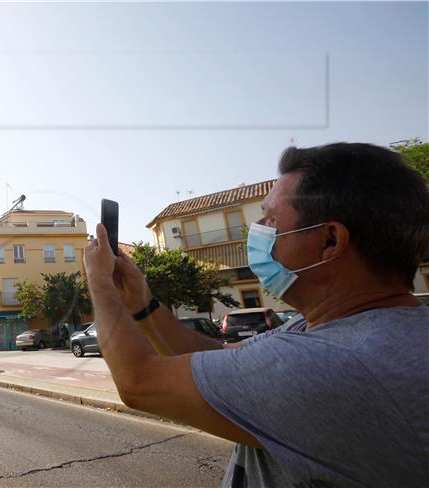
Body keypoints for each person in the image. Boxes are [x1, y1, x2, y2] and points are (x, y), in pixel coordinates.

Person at [84, 143, 429, 487]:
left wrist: (100, 285)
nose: (257, 229)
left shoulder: (336, 363)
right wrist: (143, 304)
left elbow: (139, 383)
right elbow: (216, 357)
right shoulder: (325, 329)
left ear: (330, 240)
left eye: (271, 219)